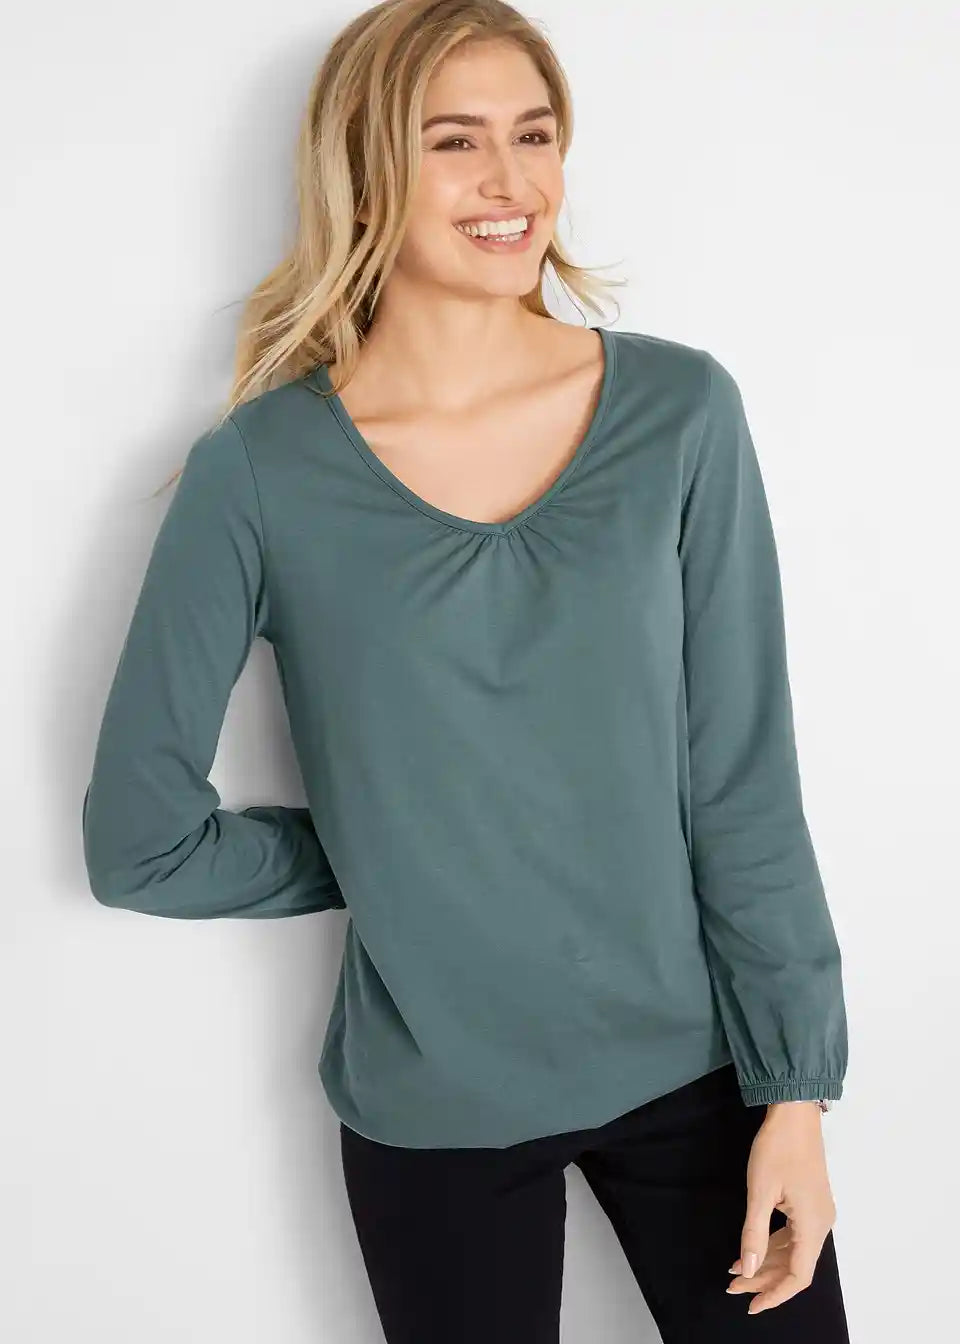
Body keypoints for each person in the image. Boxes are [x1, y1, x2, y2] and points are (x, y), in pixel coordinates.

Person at [81, 1, 851, 1340]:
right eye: (455, 142)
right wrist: (407, 854)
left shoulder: (681, 413)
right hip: (434, 1117)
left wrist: (797, 1093)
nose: (511, 183)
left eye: (534, 136)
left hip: (704, 1074)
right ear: (367, 172)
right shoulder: (258, 473)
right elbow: (142, 846)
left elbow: (742, 780)